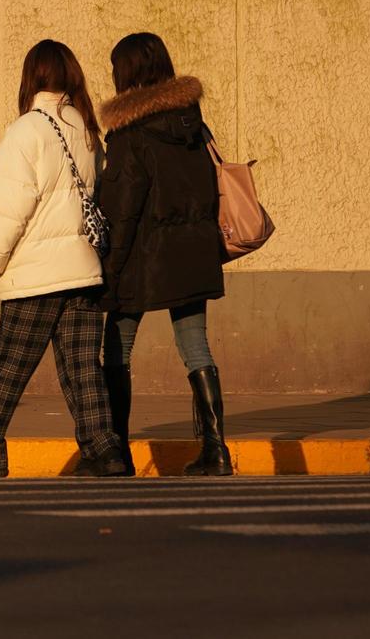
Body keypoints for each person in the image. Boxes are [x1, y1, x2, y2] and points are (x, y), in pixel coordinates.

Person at [0, 39, 130, 479]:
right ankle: (106, 450)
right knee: (81, 366)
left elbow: (8, 206)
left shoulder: (26, 131)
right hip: (84, 272)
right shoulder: (86, 131)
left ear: (32, 78)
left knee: (11, 361)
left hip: (37, 275)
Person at [97, 32, 231, 476]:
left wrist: (109, 270)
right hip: (191, 253)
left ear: (127, 71)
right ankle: (217, 451)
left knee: (117, 349)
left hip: (141, 260)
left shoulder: (128, 133)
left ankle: (119, 453)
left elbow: (123, 209)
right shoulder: (192, 125)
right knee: (196, 347)